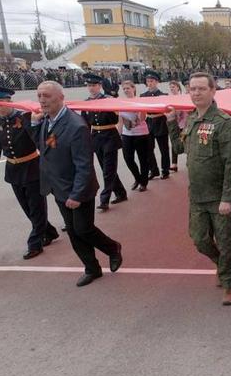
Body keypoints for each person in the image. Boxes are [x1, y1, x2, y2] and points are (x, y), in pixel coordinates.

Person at [30, 81, 122, 287]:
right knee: (73, 231)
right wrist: (35, 126)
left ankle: (113, 248)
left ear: (61, 98)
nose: (42, 100)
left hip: (78, 189)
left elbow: (84, 165)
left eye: (47, 96)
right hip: (58, 186)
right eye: (39, 96)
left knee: (83, 229)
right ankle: (92, 268)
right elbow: (45, 148)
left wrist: (76, 194)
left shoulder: (76, 125)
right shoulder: (46, 120)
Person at [166, 72, 231, 305]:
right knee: (199, 239)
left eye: (201, 89)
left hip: (219, 196)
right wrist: (170, 122)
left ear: (212, 91)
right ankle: (221, 265)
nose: (196, 93)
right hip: (197, 196)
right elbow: (179, 148)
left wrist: (228, 198)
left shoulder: (223, 123)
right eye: (192, 89)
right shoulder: (190, 120)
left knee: (226, 242)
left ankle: (229, 283)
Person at [0, 86, 59, 259]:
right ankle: (49, 232)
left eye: (1, 104)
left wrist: (54, 152)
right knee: (27, 208)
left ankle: (35, 243)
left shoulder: (26, 117)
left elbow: (45, 136)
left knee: (37, 208)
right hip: (13, 171)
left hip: (33, 167)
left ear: (10, 103)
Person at [81, 73, 127, 211]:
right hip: (96, 138)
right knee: (107, 170)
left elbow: (114, 120)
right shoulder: (86, 102)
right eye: (89, 86)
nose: (91, 88)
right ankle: (121, 192)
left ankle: (104, 199)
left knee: (108, 171)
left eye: (94, 85)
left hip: (110, 137)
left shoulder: (107, 100)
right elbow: (85, 123)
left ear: (100, 86)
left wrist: (113, 109)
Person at [117, 80, 150, 192]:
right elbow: (120, 121)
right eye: (124, 89)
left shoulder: (139, 101)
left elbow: (142, 118)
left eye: (128, 88)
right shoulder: (121, 102)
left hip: (141, 134)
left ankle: (144, 182)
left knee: (143, 159)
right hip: (127, 134)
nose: (126, 90)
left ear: (133, 88)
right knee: (128, 159)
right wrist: (119, 135)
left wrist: (138, 109)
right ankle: (138, 178)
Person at [140, 70, 170, 180]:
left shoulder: (162, 95)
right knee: (148, 148)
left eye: (152, 81)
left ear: (157, 82)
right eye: (148, 81)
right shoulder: (143, 96)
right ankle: (153, 170)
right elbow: (142, 111)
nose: (149, 83)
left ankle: (165, 170)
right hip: (149, 122)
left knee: (163, 148)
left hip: (160, 121)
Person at [168, 80, 187, 171]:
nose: (172, 89)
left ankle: (189, 160)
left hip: (183, 125)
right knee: (173, 142)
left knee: (185, 142)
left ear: (178, 88)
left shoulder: (183, 98)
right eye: (171, 87)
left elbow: (185, 112)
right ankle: (174, 163)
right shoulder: (169, 98)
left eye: (173, 87)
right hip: (174, 124)